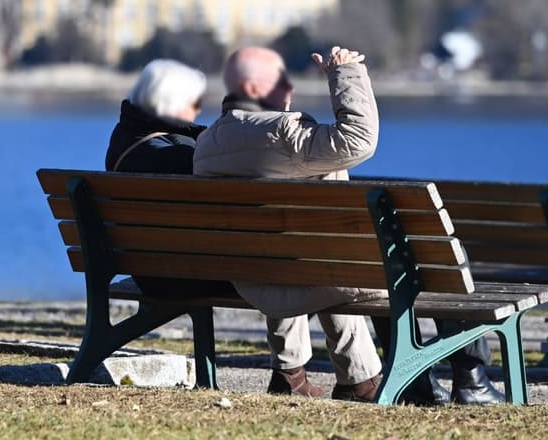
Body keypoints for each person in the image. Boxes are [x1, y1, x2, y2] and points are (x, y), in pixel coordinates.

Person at [193, 45, 504, 404]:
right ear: (251, 88)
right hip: (324, 275)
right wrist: (344, 73)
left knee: (380, 258)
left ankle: (413, 382)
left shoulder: (207, 145)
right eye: (282, 81)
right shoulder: (283, 133)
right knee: (427, 258)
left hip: (257, 279)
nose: (290, 89)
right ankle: (471, 380)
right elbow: (358, 140)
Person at [105, 58, 232, 299]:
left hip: (147, 271)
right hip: (192, 274)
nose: (198, 110)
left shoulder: (123, 138)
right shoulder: (179, 154)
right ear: (171, 102)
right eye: (194, 102)